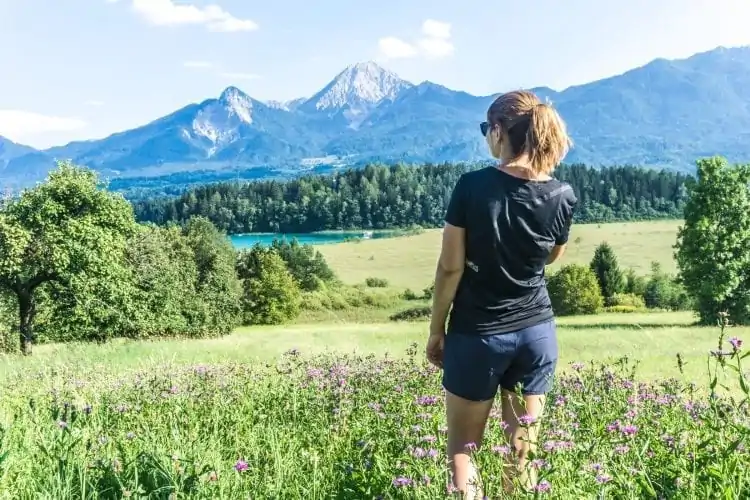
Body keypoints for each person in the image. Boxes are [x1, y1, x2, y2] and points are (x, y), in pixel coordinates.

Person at [425, 90, 577, 498]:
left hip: (477, 332)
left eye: (484, 130)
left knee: (463, 450)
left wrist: (437, 329)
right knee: (521, 454)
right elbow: (550, 257)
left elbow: (450, 267)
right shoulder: (562, 195)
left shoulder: (472, 187)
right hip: (536, 333)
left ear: (498, 131)